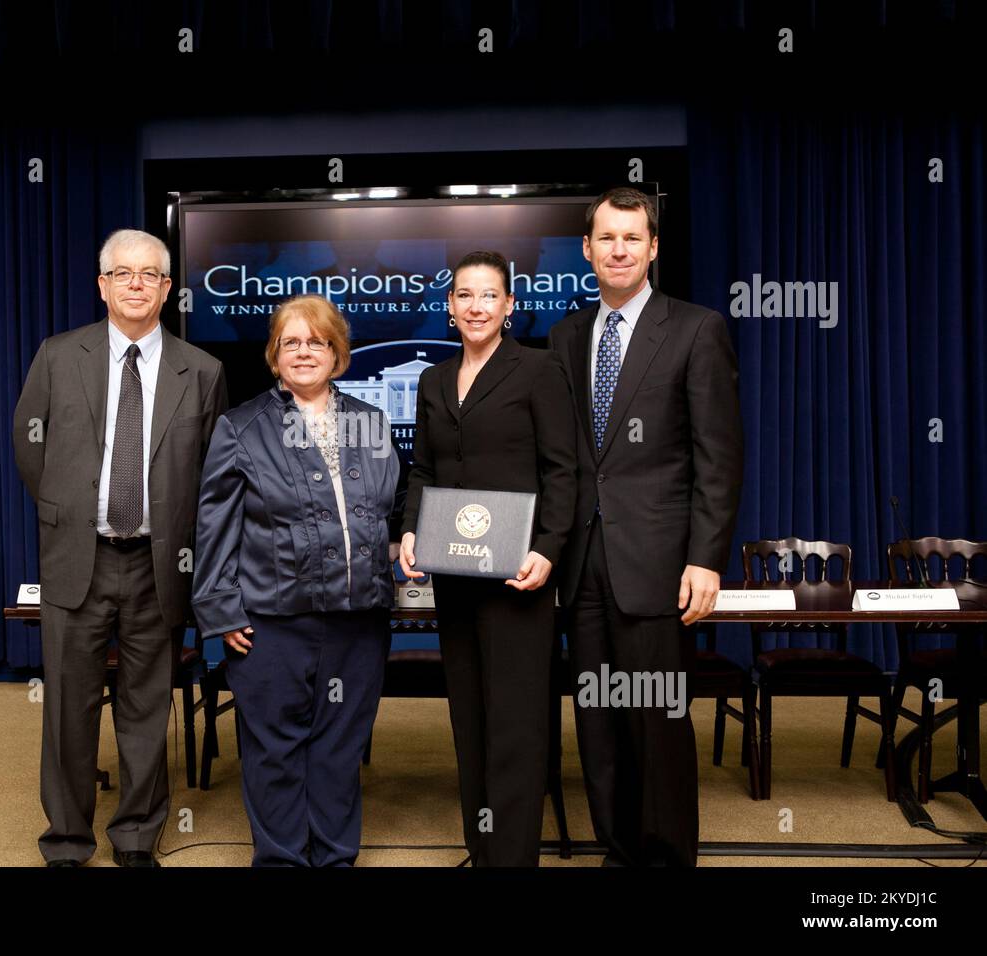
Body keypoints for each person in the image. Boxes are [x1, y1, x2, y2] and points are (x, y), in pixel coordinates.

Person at [13, 228, 228, 867]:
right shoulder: (58, 355)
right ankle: (67, 840)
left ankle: (136, 836)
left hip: (160, 567)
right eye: (123, 273)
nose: (137, 284)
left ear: (167, 288)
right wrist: (66, 511)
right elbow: (30, 445)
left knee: (145, 708)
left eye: (150, 275)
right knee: (67, 713)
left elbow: (214, 474)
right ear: (102, 285)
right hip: (79, 557)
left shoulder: (204, 371)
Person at [547, 187, 743, 867]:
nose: (619, 250)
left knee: (657, 721)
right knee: (597, 723)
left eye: (633, 238)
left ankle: (664, 857)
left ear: (654, 247)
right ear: (587, 249)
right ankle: (619, 849)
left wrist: (707, 558)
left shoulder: (695, 328)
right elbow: (567, 457)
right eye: (607, 238)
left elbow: (718, 456)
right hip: (582, 566)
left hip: (660, 565)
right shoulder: (568, 334)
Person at [193, 294, 399, 866]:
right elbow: (214, 526)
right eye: (291, 342)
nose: (304, 352)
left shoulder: (371, 421)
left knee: (339, 748)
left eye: (318, 342)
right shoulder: (241, 426)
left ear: (338, 353)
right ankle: (282, 860)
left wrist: (415, 538)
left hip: (359, 620)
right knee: (274, 751)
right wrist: (221, 608)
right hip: (270, 622)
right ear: (273, 355)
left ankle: (334, 857)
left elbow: (394, 507)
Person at [398, 251, 577, 867]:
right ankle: (484, 845)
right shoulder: (433, 380)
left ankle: (513, 856)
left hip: (518, 575)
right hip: (455, 574)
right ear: (450, 307)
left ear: (509, 306)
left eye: (488, 296)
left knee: (516, 722)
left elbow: (564, 469)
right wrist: (410, 530)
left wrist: (548, 548)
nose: (476, 307)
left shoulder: (540, 370)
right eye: (464, 296)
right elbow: (422, 467)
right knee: (470, 716)